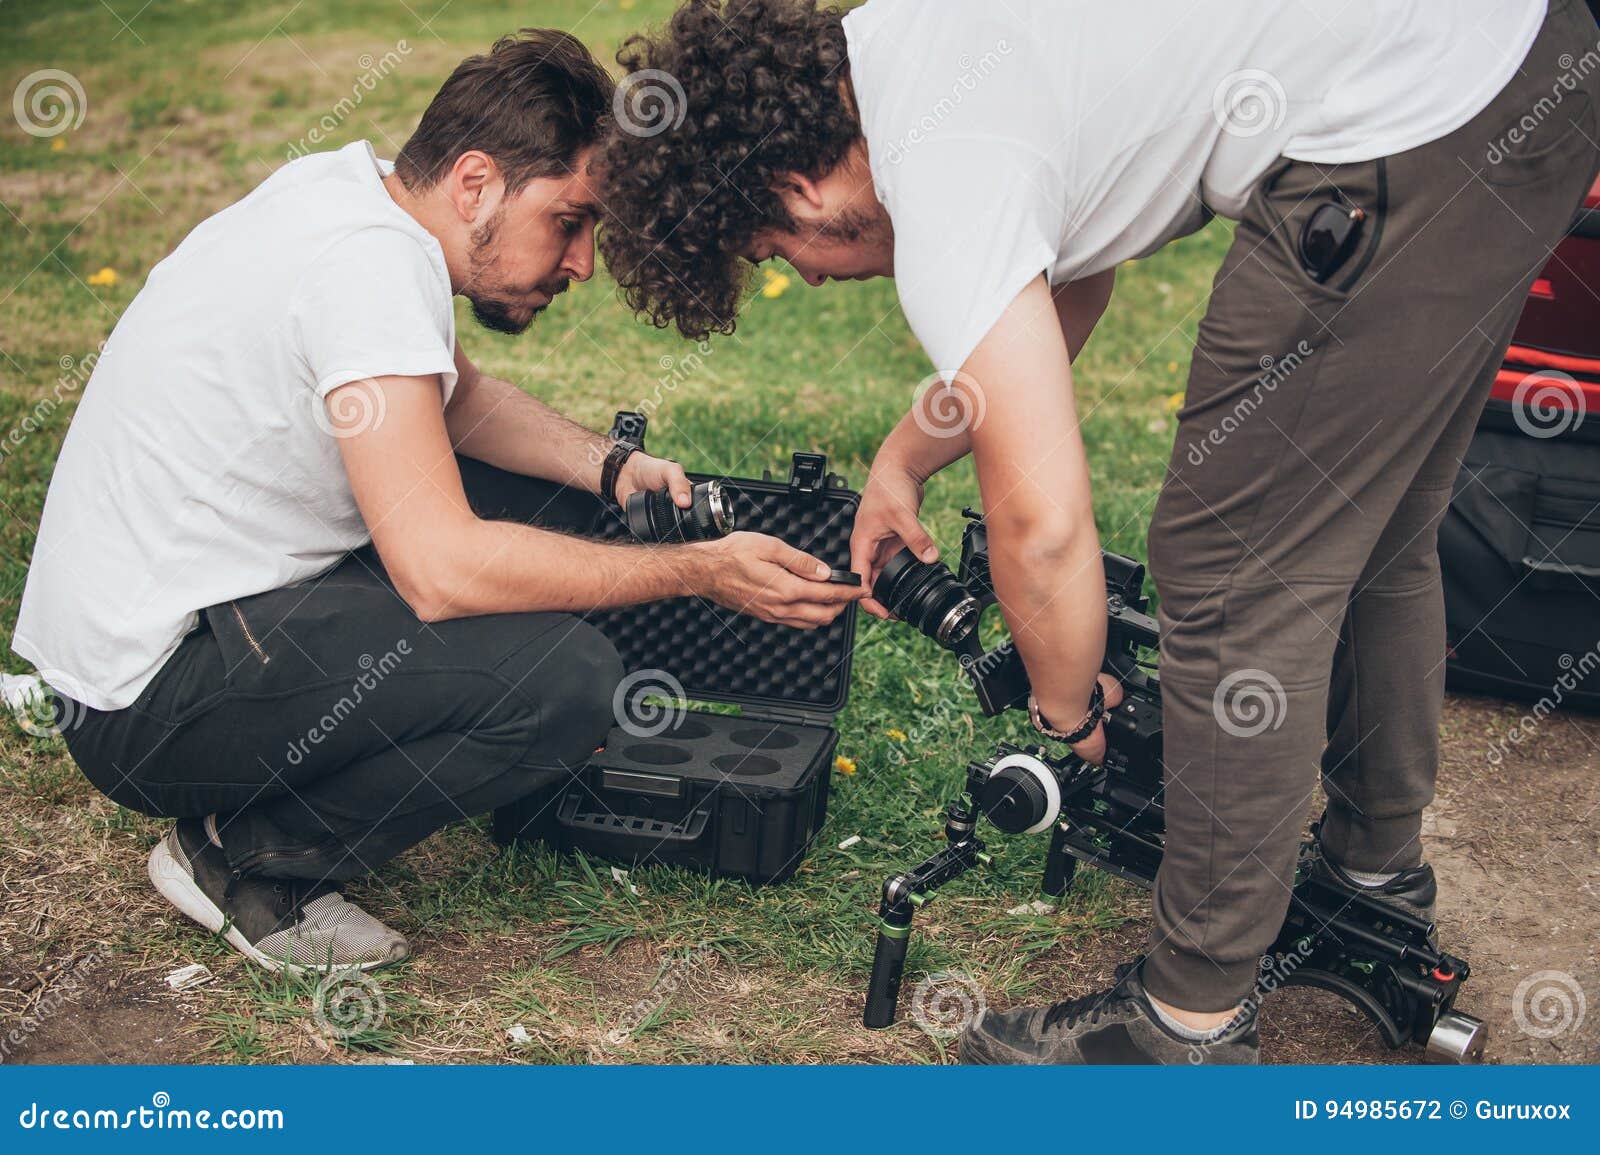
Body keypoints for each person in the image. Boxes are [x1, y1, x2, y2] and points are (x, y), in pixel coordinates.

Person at [595, 0, 1600, 1062]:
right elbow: (1070, 280)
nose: (803, 274)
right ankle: (1370, 878)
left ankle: (1184, 1023)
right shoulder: (914, 48)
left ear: (797, 188)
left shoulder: (935, 164)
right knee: (1376, 534)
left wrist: (1071, 709)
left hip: (1399, 123)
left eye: (773, 251)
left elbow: (1043, 526)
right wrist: (905, 458)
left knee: (1228, 570)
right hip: (1525, 65)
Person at [13, 28, 862, 976]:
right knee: (565, 683)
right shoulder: (368, 266)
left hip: (196, 624)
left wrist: (610, 467)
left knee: (565, 511)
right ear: (475, 183)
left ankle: (306, 795)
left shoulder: (354, 198)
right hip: (145, 700)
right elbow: (441, 568)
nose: (581, 264)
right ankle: (245, 856)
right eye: (572, 220)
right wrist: (695, 571)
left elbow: (452, 397)